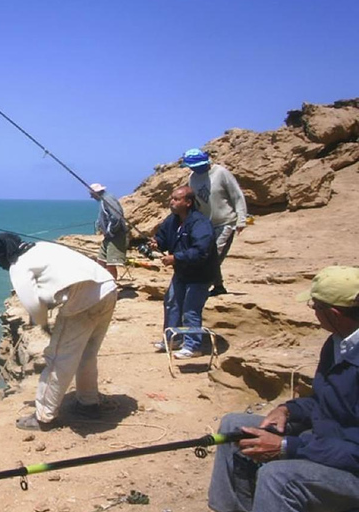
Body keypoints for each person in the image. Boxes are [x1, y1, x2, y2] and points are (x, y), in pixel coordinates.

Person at [208, 265, 359, 512]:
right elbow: (325, 402)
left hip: (350, 469)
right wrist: (287, 410)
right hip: (327, 443)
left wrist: (287, 447)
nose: (313, 313)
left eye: (315, 307)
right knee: (234, 426)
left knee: (277, 477)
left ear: (334, 313)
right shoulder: (337, 343)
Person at [0, 232, 117, 431]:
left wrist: (44, 325)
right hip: (107, 289)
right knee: (87, 353)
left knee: (57, 359)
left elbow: (32, 304)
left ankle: (43, 417)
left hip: (83, 301)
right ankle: (88, 403)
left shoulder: (18, 266)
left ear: (3, 254)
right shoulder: (43, 247)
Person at [148, 186, 217, 359]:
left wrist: (176, 258)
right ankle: (173, 339)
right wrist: (157, 243)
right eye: (172, 198)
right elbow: (163, 239)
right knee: (172, 303)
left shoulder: (200, 223)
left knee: (190, 309)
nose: (172, 202)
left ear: (188, 202)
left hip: (200, 274)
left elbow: (201, 251)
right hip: (181, 272)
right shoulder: (172, 220)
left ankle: (193, 346)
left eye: (177, 199)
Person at [183, 148, 248, 297]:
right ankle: (218, 286)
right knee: (206, 254)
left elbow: (237, 196)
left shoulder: (221, 173)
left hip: (225, 222)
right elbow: (195, 202)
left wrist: (241, 219)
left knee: (213, 256)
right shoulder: (193, 177)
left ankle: (202, 286)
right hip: (206, 224)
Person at [89, 183, 128, 280]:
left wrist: (110, 231)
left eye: (92, 194)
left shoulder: (108, 199)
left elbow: (116, 217)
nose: (91, 196)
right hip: (108, 237)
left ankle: (112, 286)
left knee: (110, 265)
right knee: (101, 261)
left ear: (96, 192)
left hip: (115, 236)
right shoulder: (104, 200)